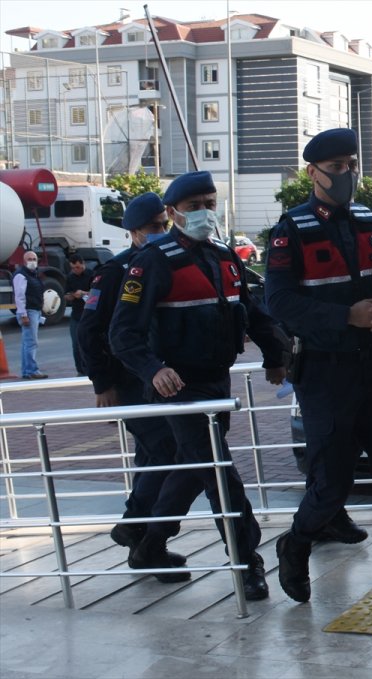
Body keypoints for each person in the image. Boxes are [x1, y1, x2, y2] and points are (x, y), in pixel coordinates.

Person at [264, 127, 372, 619]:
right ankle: (296, 543)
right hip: (325, 376)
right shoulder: (291, 230)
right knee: (331, 486)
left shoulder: (370, 222)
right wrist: (348, 316)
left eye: (352, 165)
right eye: (337, 167)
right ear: (312, 173)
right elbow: (276, 300)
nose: (347, 175)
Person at [109, 171, 286, 600]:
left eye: (210, 204)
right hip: (179, 388)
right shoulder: (152, 261)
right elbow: (122, 333)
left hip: (216, 384)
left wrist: (276, 355)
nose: (205, 213)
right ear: (171, 213)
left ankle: (148, 544)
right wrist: (153, 369)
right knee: (221, 476)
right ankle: (248, 563)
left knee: (195, 470)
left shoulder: (224, 256)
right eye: (194, 207)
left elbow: (253, 311)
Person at [78, 193, 188, 572]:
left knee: (150, 457)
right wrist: (101, 384)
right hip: (128, 382)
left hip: (159, 379)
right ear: (134, 232)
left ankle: (143, 550)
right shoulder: (114, 272)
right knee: (167, 451)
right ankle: (135, 525)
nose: (162, 232)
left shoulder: (166, 262)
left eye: (164, 224)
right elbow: (90, 332)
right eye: (154, 227)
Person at [12, 250, 47, 380]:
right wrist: (23, 314)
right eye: (29, 259)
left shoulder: (34, 275)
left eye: (34, 259)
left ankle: (27, 371)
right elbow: (19, 297)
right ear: (24, 261)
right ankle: (32, 370)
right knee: (31, 342)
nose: (32, 261)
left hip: (34, 311)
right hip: (29, 311)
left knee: (27, 343)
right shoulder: (21, 275)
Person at [64, 254, 93, 376]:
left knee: (89, 343)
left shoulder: (92, 274)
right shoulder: (70, 277)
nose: (76, 270)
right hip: (76, 314)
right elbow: (66, 295)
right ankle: (80, 370)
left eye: (77, 267)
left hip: (89, 314)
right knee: (76, 344)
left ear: (82, 264)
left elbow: (97, 293)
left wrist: (83, 293)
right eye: (73, 268)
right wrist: (72, 295)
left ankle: (90, 367)